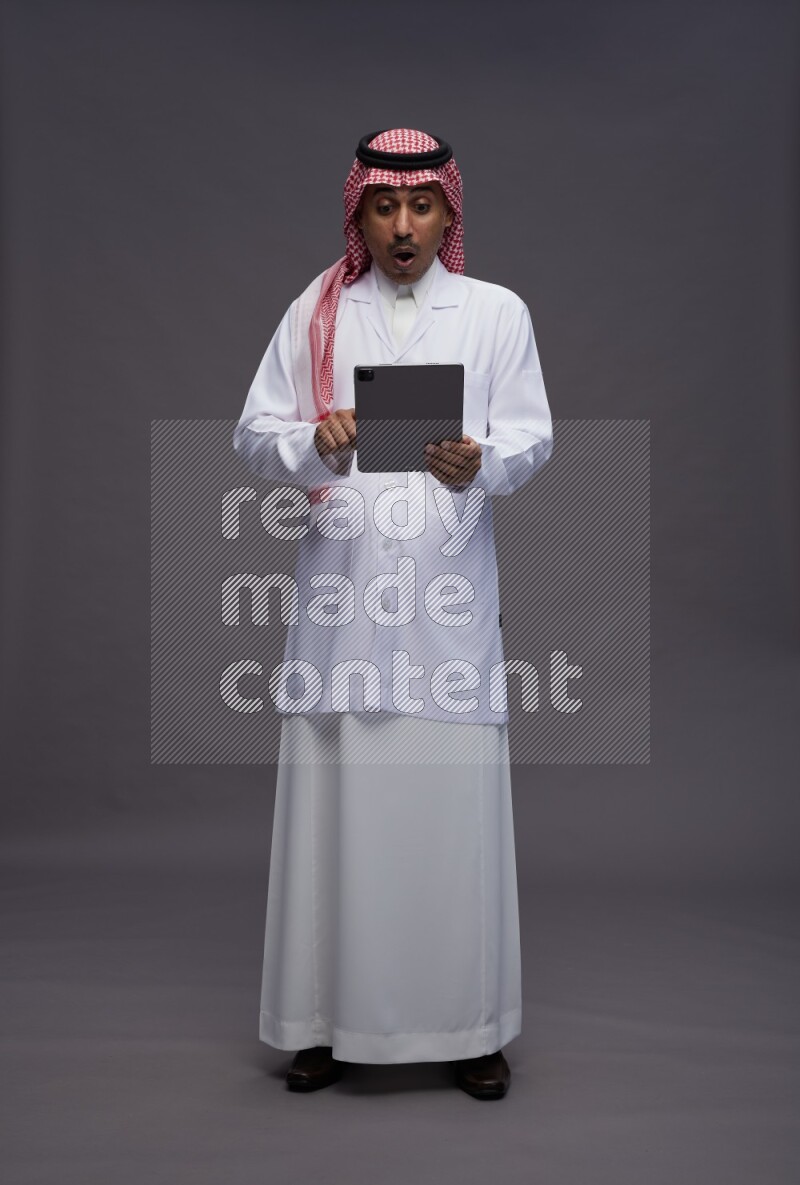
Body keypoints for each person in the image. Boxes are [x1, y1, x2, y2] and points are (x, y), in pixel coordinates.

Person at [233, 128, 553, 1099]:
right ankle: (322, 1023)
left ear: (447, 213)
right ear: (360, 214)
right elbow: (254, 435)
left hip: (444, 610)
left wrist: (480, 463)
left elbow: (531, 437)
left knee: (451, 823)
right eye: (384, 207)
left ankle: (468, 1026)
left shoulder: (494, 313)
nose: (402, 226)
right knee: (334, 819)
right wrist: (316, 445)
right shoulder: (316, 313)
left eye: (420, 206)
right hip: (342, 601)